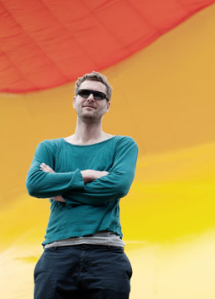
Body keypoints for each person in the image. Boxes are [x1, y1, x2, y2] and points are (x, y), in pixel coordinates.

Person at [26, 71, 138, 298]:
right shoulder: (49, 148)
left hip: (106, 254)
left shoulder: (123, 144)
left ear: (107, 106)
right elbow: (35, 184)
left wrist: (61, 190)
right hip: (57, 253)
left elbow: (118, 186)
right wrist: (88, 174)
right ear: (74, 100)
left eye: (98, 95)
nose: (90, 98)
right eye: (84, 92)